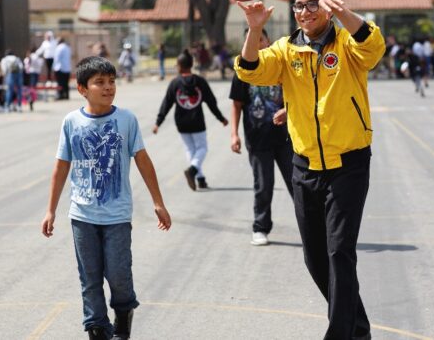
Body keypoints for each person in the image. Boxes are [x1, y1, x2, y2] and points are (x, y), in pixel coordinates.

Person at [235, 0, 384, 340]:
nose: (304, 12)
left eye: (312, 4)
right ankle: (358, 330)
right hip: (304, 167)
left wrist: (344, 12)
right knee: (316, 260)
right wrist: (255, 30)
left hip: (348, 165)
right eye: (298, 6)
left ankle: (339, 334)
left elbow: (373, 46)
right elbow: (250, 70)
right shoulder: (286, 50)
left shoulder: (347, 43)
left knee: (340, 253)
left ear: (328, 5)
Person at [41, 56, 171, 340]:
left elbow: (143, 159)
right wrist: (50, 210)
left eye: (111, 82)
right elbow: (61, 166)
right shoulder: (72, 122)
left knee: (118, 274)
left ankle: (123, 312)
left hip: (117, 216)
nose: (108, 87)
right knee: (89, 278)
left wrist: (157, 201)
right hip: (82, 215)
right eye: (99, 82)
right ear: (82, 89)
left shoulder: (126, 120)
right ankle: (97, 327)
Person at [230, 28, 293, 246]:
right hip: (258, 140)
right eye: (252, 40)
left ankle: (313, 227)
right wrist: (234, 135)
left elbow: (299, 95)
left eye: (261, 39)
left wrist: (289, 111)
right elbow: (237, 104)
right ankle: (260, 228)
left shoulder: (282, 65)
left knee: (299, 184)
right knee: (264, 185)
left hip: (288, 139)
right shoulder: (243, 71)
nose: (258, 44)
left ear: (268, 41)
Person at [152, 51, 228, 190]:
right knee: (202, 148)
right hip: (197, 121)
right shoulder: (200, 82)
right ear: (192, 65)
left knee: (190, 149)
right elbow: (211, 102)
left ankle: (200, 179)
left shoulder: (175, 83)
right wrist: (221, 118)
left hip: (181, 122)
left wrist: (158, 122)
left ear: (179, 66)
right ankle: (193, 170)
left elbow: (166, 104)